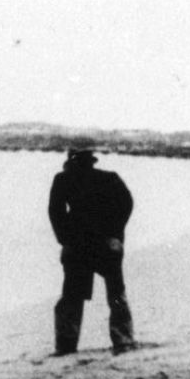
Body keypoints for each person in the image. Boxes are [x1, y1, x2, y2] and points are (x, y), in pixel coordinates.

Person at [48, 145, 134, 356]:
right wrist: (115, 234)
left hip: (82, 244)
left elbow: (55, 213)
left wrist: (65, 240)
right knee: (114, 293)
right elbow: (126, 205)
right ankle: (123, 341)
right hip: (100, 243)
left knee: (73, 296)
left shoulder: (64, 179)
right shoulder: (109, 178)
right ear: (91, 160)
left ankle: (66, 345)